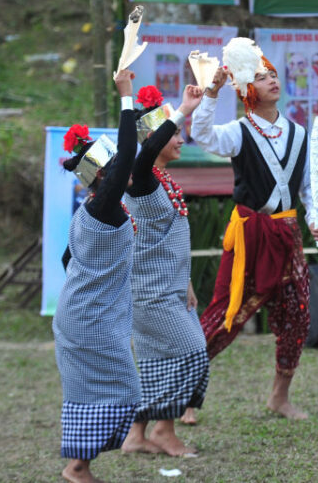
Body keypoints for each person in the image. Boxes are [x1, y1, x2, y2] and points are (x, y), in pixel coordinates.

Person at [186, 38, 318, 423]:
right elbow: (203, 135)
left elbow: (310, 186)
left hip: (288, 233)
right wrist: (211, 92)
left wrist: (316, 216)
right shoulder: (236, 132)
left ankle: (279, 397)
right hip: (250, 235)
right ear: (248, 90)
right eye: (262, 78)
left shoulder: (299, 133)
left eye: (274, 75)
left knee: (298, 314)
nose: (272, 81)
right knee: (226, 314)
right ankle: (185, 396)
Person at [54, 69, 140, 483]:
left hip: (83, 313)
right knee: (122, 390)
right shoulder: (103, 207)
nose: (122, 171)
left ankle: (79, 466)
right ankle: (76, 468)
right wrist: (126, 98)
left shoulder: (89, 211)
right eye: (113, 169)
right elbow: (127, 158)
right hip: (89, 319)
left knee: (93, 392)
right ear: (103, 177)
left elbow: (68, 261)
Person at [120, 86, 209, 456]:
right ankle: (163, 430)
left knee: (160, 361)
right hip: (149, 293)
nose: (181, 139)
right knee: (192, 353)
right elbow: (141, 159)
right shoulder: (141, 182)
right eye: (173, 134)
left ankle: (135, 436)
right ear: (153, 139)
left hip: (171, 290)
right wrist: (183, 109)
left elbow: (167, 239)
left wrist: (185, 280)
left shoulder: (166, 183)